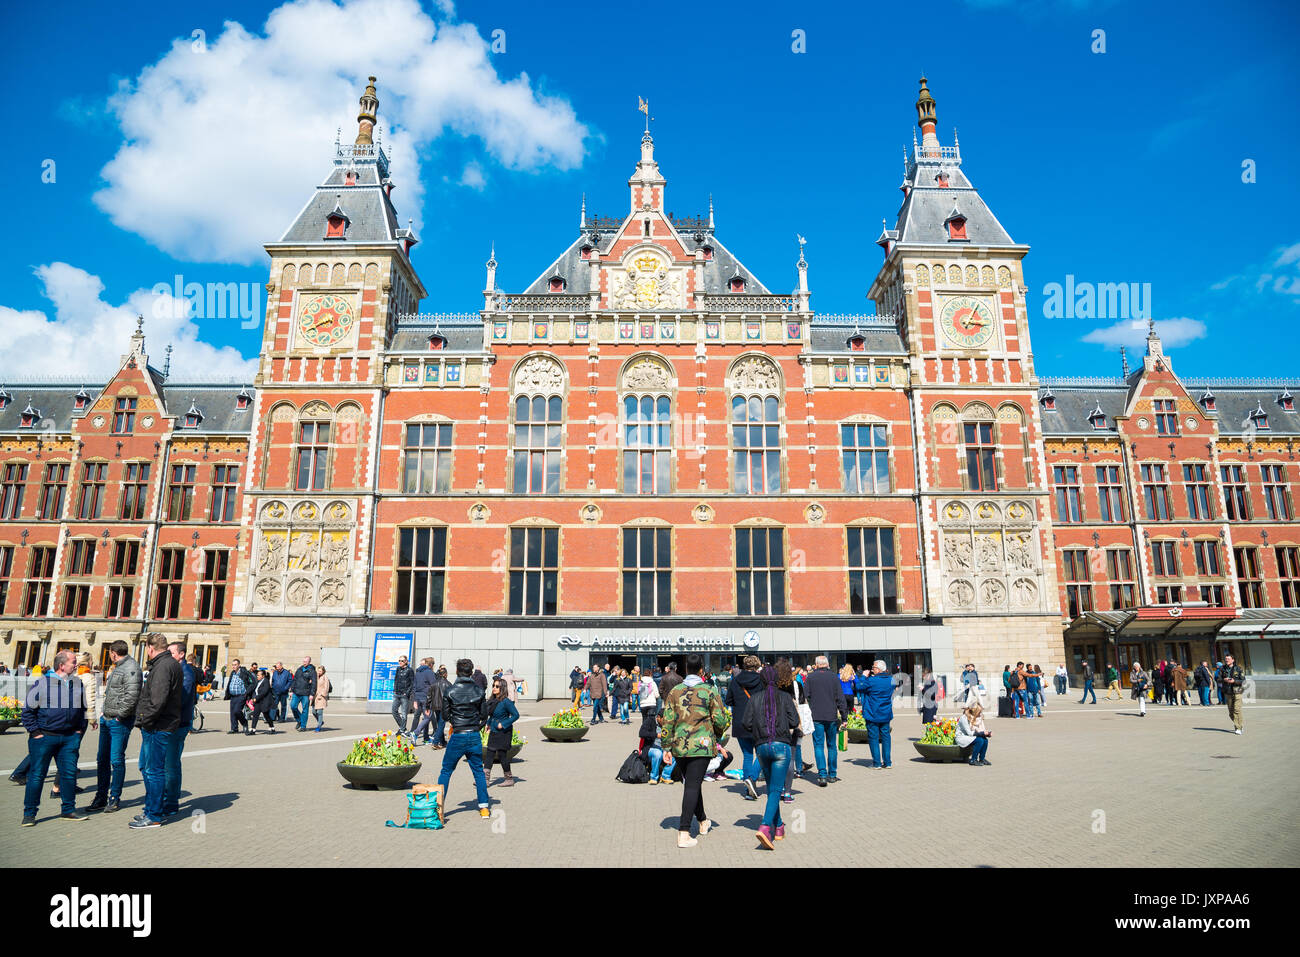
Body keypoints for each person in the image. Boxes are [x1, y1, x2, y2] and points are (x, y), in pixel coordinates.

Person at [660, 653, 729, 849]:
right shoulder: (709, 690)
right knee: (692, 786)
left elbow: (668, 720)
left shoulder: (675, 691)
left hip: (680, 745)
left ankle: (703, 821)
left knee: (692, 783)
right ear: (700, 670)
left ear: (686, 669)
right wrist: (716, 733)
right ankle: (683, 832)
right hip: (702, 744)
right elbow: (721, 719)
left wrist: (666, 746)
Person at [19, 650, 88, 826]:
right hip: (44, 737)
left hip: (69, 738)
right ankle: (30, 813)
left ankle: (68, 810)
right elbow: (27, 711)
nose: (76, 665)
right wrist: (35, 733)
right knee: (37, 776)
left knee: (69, 774)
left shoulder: (77, 683)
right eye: (73, 662)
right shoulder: (42, 684)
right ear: (61, 665)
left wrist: (79, 730)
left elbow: (83, 710)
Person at [741, 663, 801, 850]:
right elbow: (794, 721)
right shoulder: (785, 697)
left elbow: (746, 723)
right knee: (775, 791)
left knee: (771, 790)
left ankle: (780, 827)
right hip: (781, 746)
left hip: (762, 747)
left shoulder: (755, 698)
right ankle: (766, 826)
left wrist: (758, 730)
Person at [132, 633, 184, 828]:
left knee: (154, 771)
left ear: (150, 648)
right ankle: (152, 810)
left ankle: (154, 815)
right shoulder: (168, 664)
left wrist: (144, 720)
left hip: (158, 725)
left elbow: (157, 700)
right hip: (162, 723)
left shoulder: (163, 667)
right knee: (152, 769)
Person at [86, 641, 140, 813]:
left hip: (119, 722)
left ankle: (114, 797)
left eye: (109, 653)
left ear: (113, 653)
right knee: (102, 760)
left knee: (116, 760)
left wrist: (119, 716)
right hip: (107, 719)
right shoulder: (117, 666)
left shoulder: (131, 667)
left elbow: (131, 696)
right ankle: (100, 796)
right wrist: (104, 713)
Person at [435, 659, 492, 820]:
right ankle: (484, 808)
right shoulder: (479, 691)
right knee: (478, 772)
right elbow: (483, 715)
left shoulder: (451, 691)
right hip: (473, 735)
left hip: (458, 734)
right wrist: (476, 726)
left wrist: (455, 719)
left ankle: (438, 808)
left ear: (457, 671)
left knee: (446, 771)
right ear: (471, 672)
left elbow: (445, 716)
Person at [161, 644, 198, 819]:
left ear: (181, 654)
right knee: (168, 764)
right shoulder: (177, 670)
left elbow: (180, 699)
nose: (168, 655)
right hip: (173, 723)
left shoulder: (186, 673)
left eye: (171, 652)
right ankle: (167, 800)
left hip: (177, 724)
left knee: (171, 765)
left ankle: (170, 803)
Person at [803, 655, 847, 786]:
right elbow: (840, 698)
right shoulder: (834, 677)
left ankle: (822, 775)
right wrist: (844, 717)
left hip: (816, 715)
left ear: (816, 665)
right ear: (827, 664)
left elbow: (805, 695)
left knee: (818, 745)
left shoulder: (810, 677)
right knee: (832, 745)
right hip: (831, 716)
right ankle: (832, 774)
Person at [725, 655, 764, 800]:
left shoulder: (736, 681)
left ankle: (749, 790)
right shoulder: (761, 680)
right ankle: (752, 779)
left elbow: (728, 700)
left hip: (741, 722)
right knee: (761, 754)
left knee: (747, 755)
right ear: (757, 665)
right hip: (758, 722)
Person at [777, 658, 810, 803]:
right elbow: (802, 702)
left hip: (776, 726)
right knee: (790, 758)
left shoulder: (772, 687)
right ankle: (788, 791)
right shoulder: (796, 685)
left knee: (778, 759)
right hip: (792, 725)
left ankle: (778, 789)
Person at [483, 676, 520, 788]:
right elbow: (492, 715)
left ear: (502, 688)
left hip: (504, 732)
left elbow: (516, 715)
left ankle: (509, 779)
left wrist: (503, 724)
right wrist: (488, 724)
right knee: (489, 754)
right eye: (493, 686)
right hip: (494, 731)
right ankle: (485, 779)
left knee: (502, 755)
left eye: (497, 686)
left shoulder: (506, 702)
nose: (494, 688)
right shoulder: (493, 701)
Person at [863, 660, 895, 769]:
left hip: (873, 713)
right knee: (886, 737)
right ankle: (888, 762)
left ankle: (877, 763)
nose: (872, 669)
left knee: (873, 738)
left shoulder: (872, 680)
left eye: (874, 667)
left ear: (878, 669)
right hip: (885, 712)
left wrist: (863, 676)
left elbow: (858, 686)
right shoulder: (891, 680)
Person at [409, 658, 437, 743]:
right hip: (426, 698)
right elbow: (434, 686)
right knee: (428, 717)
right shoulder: (429, 672)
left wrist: (414, 700)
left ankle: (426, 738)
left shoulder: (417, 672)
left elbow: (414, 686)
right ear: (430, 664)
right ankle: (416, 733)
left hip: (418, 697)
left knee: (425, 717)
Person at [223, 658, 252, 734]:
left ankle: (244, 723)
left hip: (241, 695)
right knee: (232, 713)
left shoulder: (244, 672)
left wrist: (247, 692)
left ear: (239, 665)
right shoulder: (233, 673)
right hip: (233, 696)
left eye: (235, 665)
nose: (233, 666)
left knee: (237, 711)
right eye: (232, 665)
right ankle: (234, 728)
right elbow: (230, 683)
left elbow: (252, 682)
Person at [1221, 654, 1245, 734]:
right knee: (1231, 712)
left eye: (1228, 659)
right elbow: (1218, 679)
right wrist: (1224, 679)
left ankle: (1238, 727)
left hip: (1237, 691)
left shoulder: (1238, 669)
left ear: (1233, 660)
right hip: (1228, 692)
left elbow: (1243, 681)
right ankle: (1240, 724)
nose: (1226, 660)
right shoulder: (1222, 668)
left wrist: (1234, 681)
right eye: (1226, 659)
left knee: (1237, 710)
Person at [247, 668, 276, 734]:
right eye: (257, 675)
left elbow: (264, 692)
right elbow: (255, 691)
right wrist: (253, 697)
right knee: (255, 715)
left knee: (266, 715)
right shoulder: (258, 682)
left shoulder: (266, 681)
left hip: (264, 701)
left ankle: (272, 727)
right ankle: (253, 729)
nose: (257, 676)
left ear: (263, 676)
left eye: (259, 675)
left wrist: (256, 698)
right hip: (258, 701)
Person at [638, 668, 659, 736]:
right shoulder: (652, 683)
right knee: (652, 720)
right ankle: (652, 734)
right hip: (651, 703)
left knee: (644, 719)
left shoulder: (640, 682)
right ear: (650, 674)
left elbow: (638, 692)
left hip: (643, 704)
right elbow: (656, 694)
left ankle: (644, 734)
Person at [312, 665, 331, 731]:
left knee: (319, 712)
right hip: (315, 697)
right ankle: (321, 722)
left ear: (323, 671)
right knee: (314, 712)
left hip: (321, 697)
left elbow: (326, 687)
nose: (319, 672)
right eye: (318, 670)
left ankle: (319, 726)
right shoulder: (315, 677)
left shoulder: (325, 678)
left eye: (320, 671)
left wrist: (322, 694)